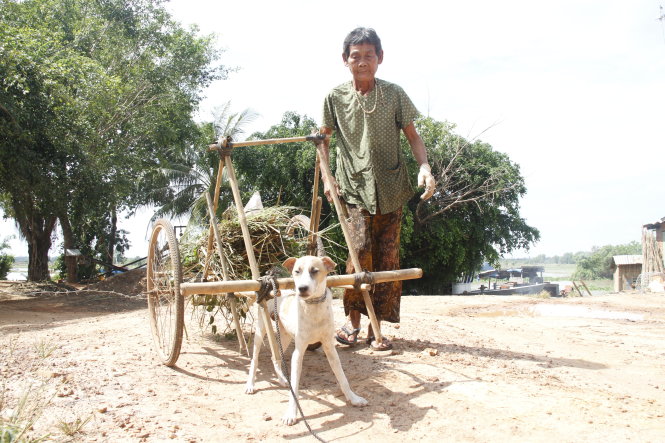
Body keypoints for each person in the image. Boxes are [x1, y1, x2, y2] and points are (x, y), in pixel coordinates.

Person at [317, 27, 435, 351]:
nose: (363, 62)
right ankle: (352, 324)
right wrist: (328, 179)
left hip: (391, 187)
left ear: (380, 59)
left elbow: (413, 137)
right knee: (359, 254)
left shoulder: (394, 94)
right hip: (353, 188)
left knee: (387, 258)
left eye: (369, 55)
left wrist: (424, 167)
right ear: (345, 60)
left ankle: (376, 327)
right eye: (356, 56)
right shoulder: (335, 98)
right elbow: (322, 143)